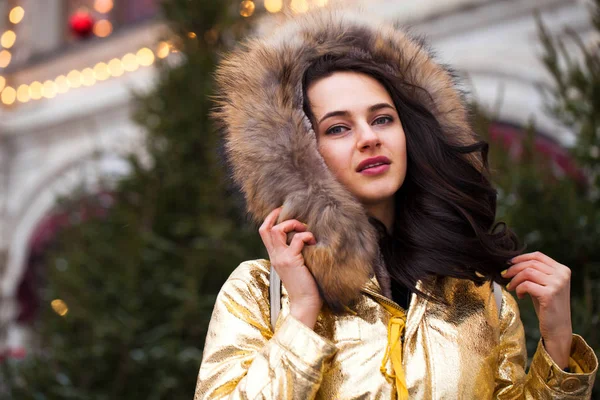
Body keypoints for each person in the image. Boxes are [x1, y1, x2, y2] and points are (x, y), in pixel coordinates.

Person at [194, 6, 598, 399]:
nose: (369, 137)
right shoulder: (259, 292)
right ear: (298, 153)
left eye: (383, 118)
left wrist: (558, 342)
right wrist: (301, 312)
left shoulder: (482, 298)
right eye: (338, 128)